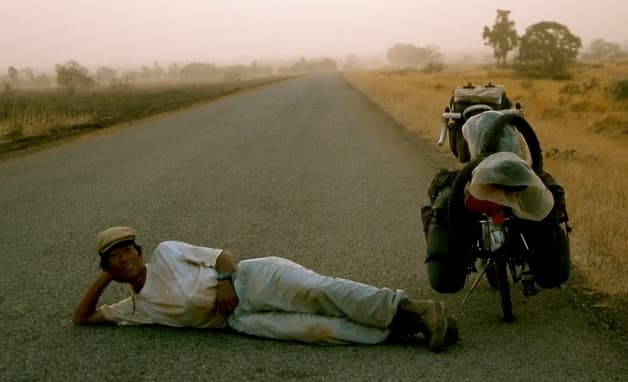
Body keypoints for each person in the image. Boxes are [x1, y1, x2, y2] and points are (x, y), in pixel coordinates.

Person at [73, 226, 459, 352]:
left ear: (140, 251)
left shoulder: (168, 253)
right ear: (110, 269)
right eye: (115, 259)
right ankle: (409, 330)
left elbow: (225, 255)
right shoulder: (135, 308)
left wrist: (225, 281)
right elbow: (83, 318)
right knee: (321, 332)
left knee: (322, 293)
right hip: (241, 320)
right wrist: (107, 277)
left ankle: (418, 309)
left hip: (249, 280)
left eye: (128, 250)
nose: (125, 259)